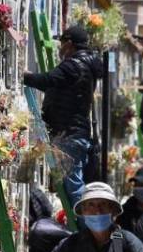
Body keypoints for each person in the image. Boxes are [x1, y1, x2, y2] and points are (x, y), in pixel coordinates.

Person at [22, 25, 103, 206]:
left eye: (62, 43)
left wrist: (25, 76)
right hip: (76, 132)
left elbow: (47, 80)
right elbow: (53, 84)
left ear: (69, 43)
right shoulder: (84, 65)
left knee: (74, 188)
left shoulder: (74, 65)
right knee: (72, 185)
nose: (60, 47)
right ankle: (86, 225)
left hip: (69, 133)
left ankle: (88, 226)